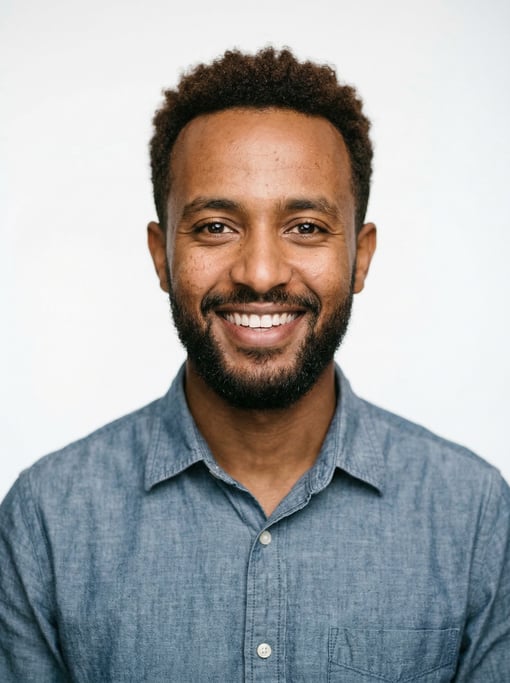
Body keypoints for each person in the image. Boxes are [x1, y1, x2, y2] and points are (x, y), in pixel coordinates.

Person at [0, 47, 509, 682]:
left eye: (305, 227)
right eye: (215, 227)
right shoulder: (47, 520)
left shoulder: (475, 515)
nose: (261, 273)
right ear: (161, 256)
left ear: (361, 257)